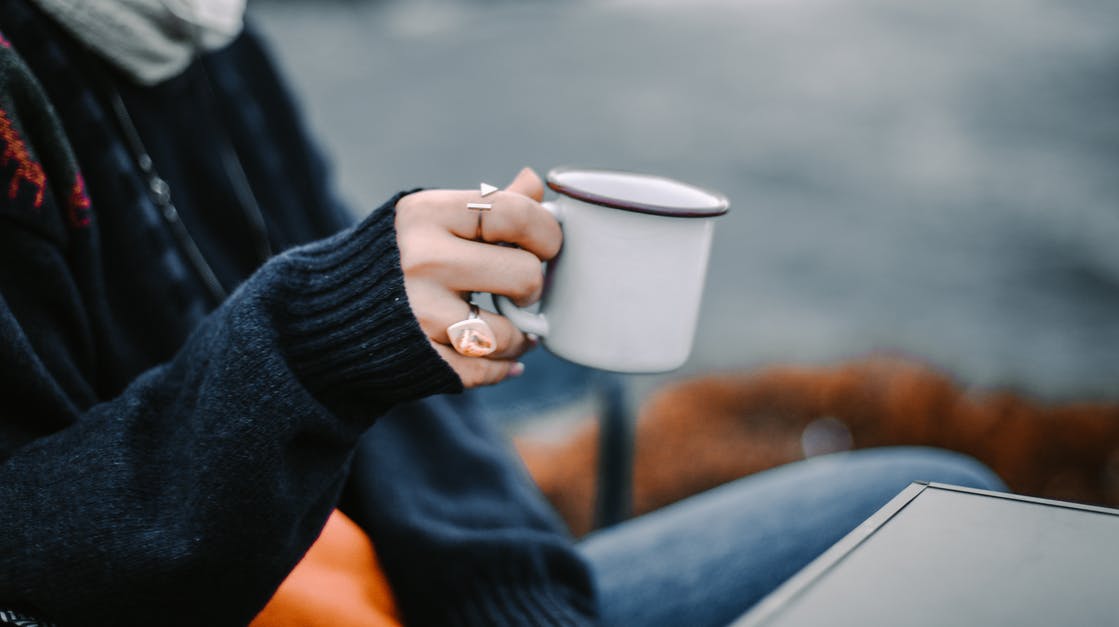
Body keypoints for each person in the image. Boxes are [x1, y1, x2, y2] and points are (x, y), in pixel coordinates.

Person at [0, 1, 1004, 625]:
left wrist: (512, 594)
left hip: (399, 592)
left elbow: (400, 400)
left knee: (938, 497)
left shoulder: (206, 32)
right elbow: (38, 556)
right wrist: (310, 344)